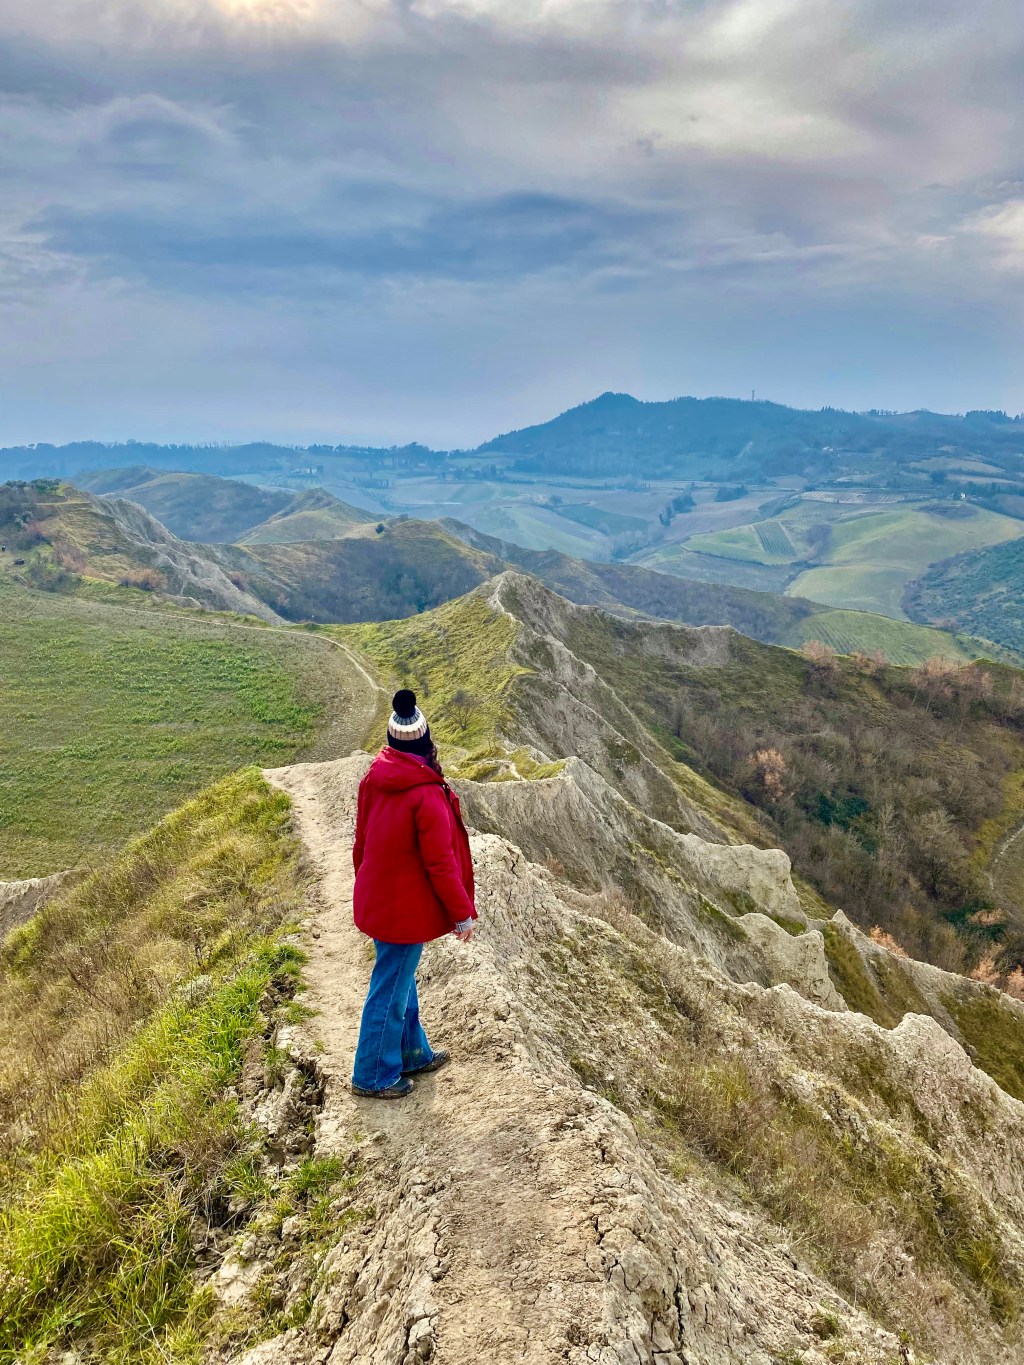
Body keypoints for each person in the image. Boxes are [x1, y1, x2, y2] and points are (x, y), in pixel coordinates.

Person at [350, 689, 477, 1099]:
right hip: (402, 910)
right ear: (425, 742)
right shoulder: (425, 793)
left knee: (400, 981)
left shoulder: (375, 776)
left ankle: (410, 1051)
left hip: (382, 898)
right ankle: (372, 1075)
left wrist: (366, 885)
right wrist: (462, 913)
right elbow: (441, 864)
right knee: (388, 990)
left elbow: (361, 840)